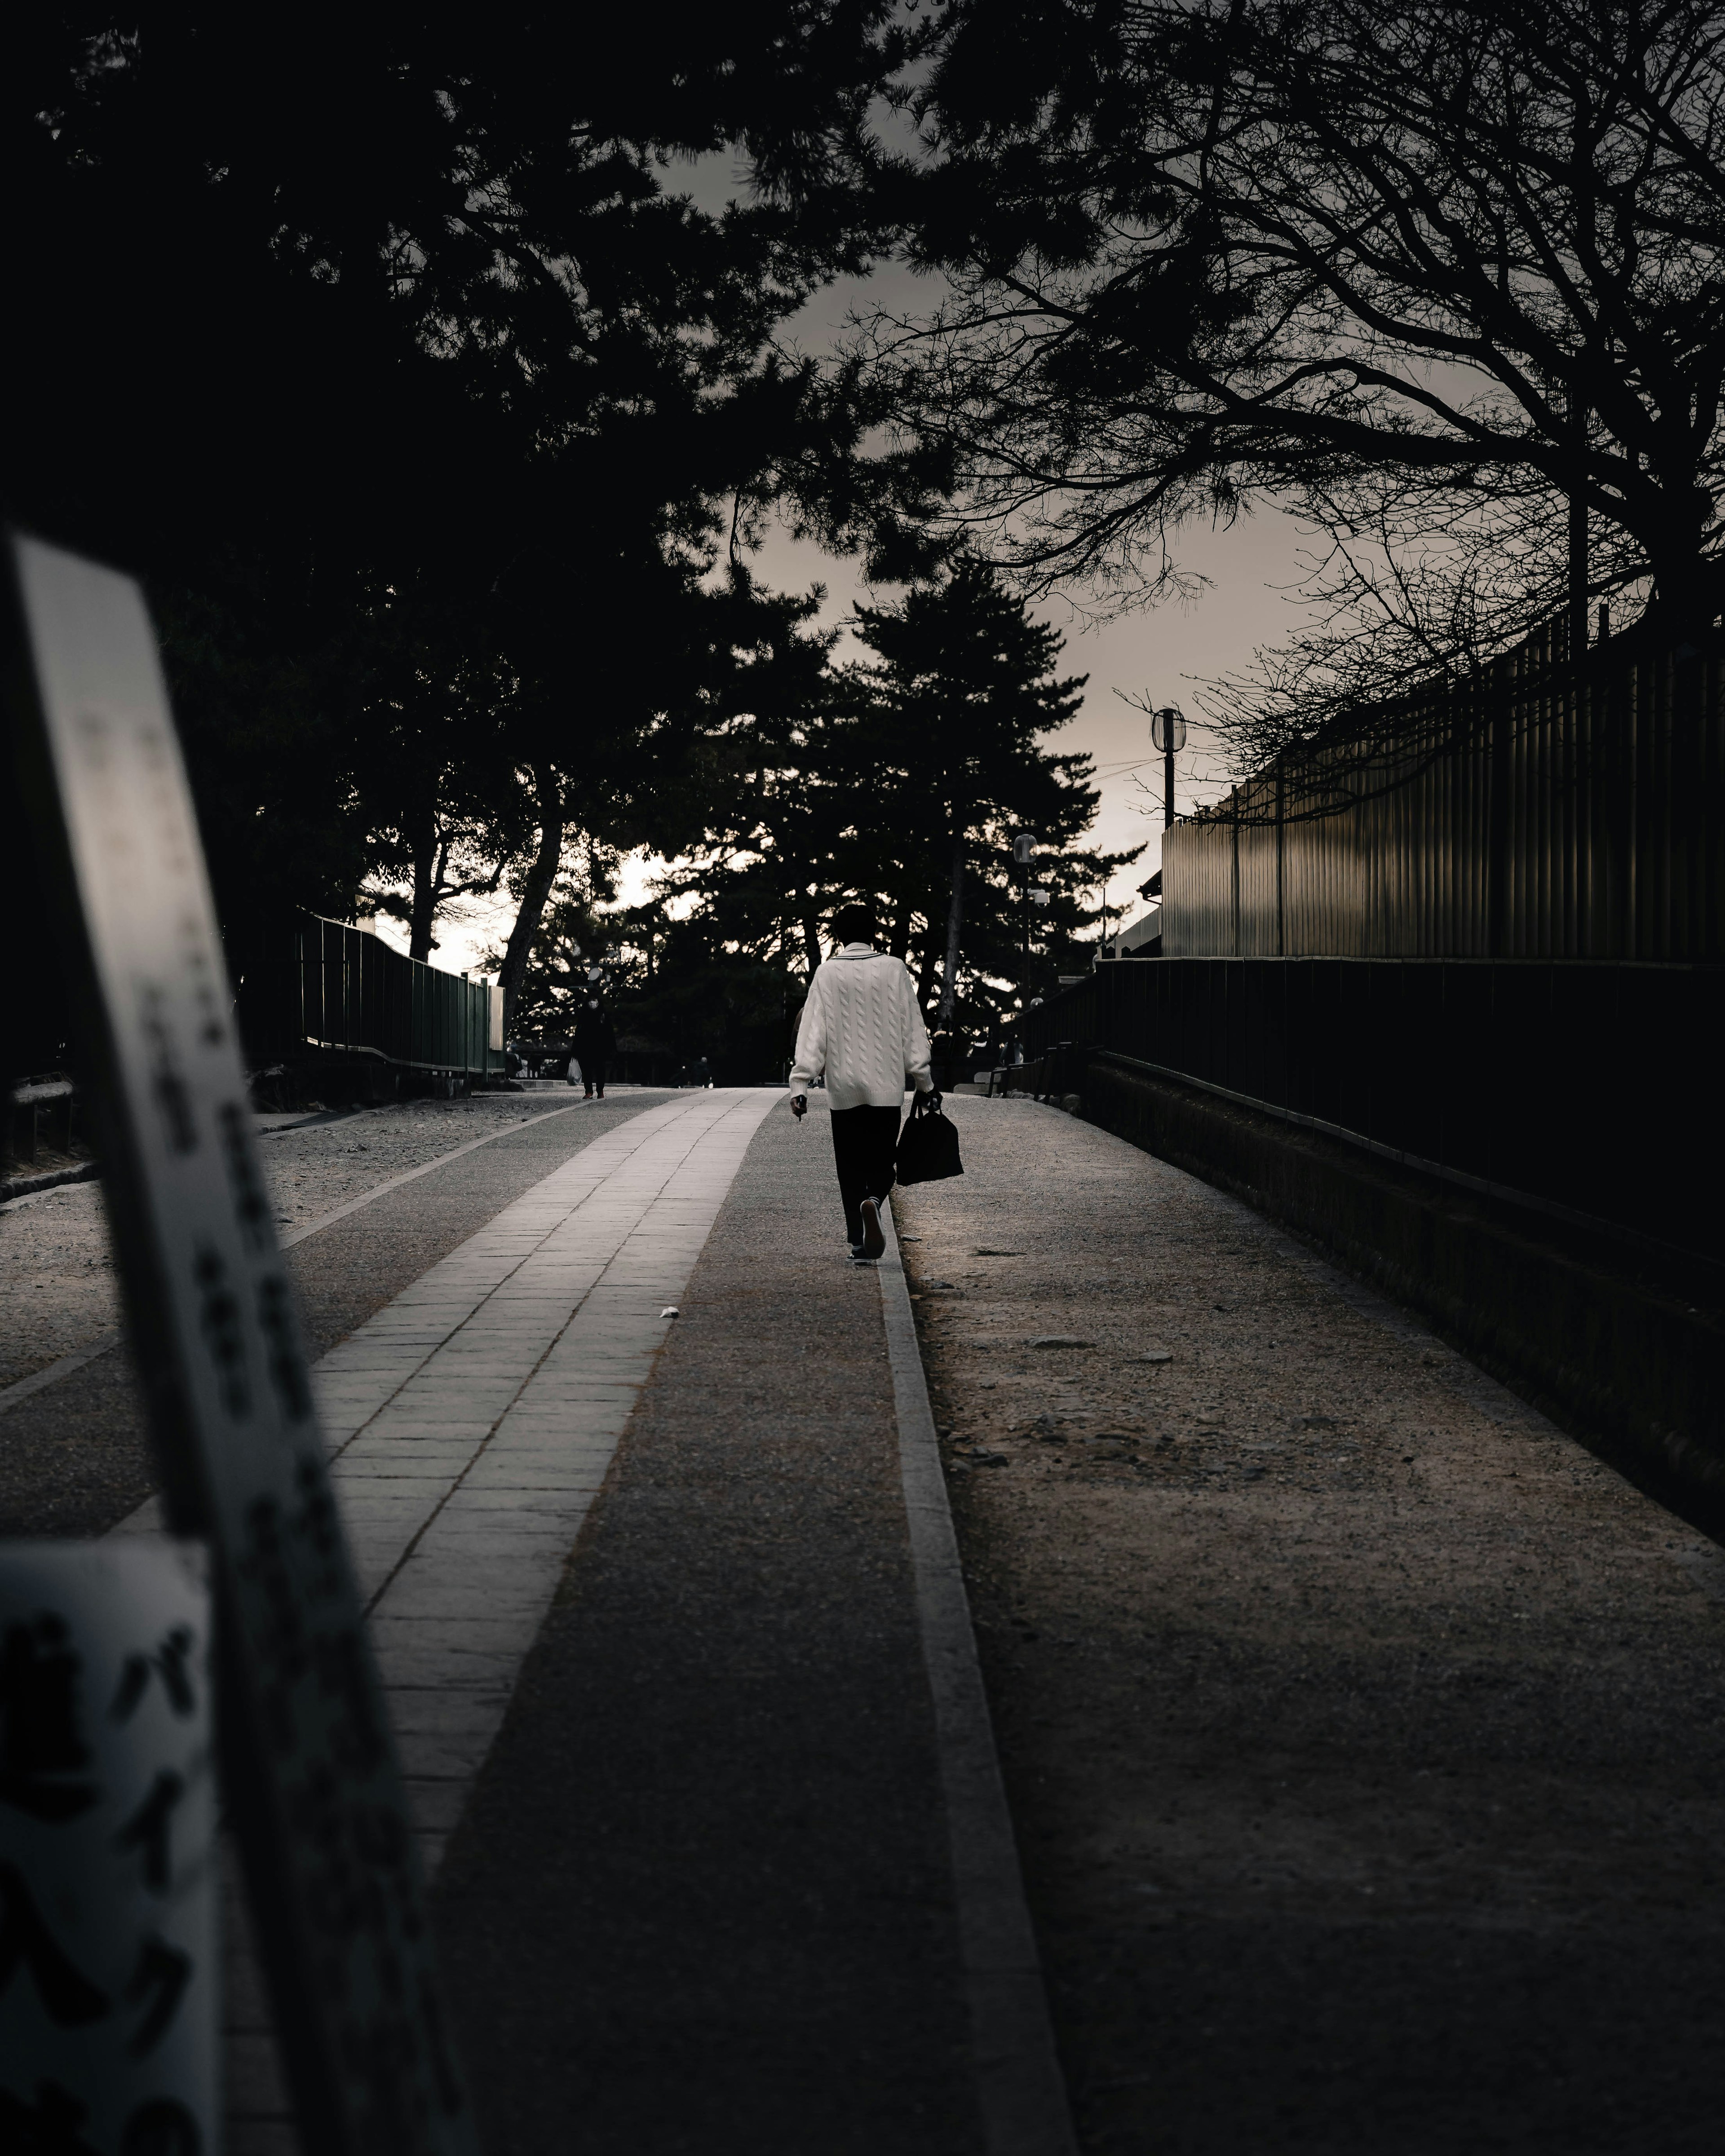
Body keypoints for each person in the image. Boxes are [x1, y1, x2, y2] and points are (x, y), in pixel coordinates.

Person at [789, 902, 933, 1263]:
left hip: (843, 1084)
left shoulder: (826, 973)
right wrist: (924, 1080)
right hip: (886, 1083)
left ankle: (858, 1240)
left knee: (849, 1164)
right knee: (884, 1159)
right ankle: (875, 1200)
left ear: (839, 935)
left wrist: (801, 1084)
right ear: (874, 932)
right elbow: (912, 1028)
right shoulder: (894, 969)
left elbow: (813, 1033)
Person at [572, 997, 616, 1100]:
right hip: (586, 1048)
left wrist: (611, 1049)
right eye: (591, 1001)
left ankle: (600, 1091)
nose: (593, 1003)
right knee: (587, 1071)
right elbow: (578, 1033)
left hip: (601, 1048)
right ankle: (589, 1091)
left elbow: (610, 1033)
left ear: (598, 1002)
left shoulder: (603, 1015)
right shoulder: (584, 1015)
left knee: (600, 1070)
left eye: (595, 1000)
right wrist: (575, 1049)